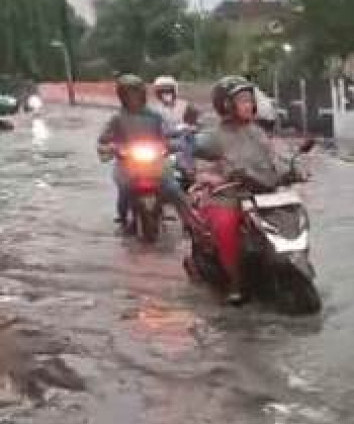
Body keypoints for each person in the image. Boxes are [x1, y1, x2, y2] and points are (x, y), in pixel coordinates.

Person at [190, 75, 304, 303]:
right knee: (225, 225)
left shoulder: (258, 132)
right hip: (228, 195)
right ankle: (235, 281)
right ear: (226, 105)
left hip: (262, 193)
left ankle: (295, 259)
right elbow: (199, 168)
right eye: (242, 100)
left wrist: (294, 170)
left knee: (294, 211)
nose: (249, 105)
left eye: (250, 100)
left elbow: (276, 158)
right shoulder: (213, 136)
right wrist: (214, 178)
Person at [97, 74, 194, 229]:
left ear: (142, 94)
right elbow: (103, 140)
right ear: (122, 96)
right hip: (127, 164)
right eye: (128, 94)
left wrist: (176, 140)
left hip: (155, 163)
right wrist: (111, 148)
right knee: (124, 188)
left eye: (135, 93)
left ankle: (191, 224)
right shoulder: (117, 118)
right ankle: (123, 218)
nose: (133, 97)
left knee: (174, 189)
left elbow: (167, 133)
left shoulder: (155, 116)